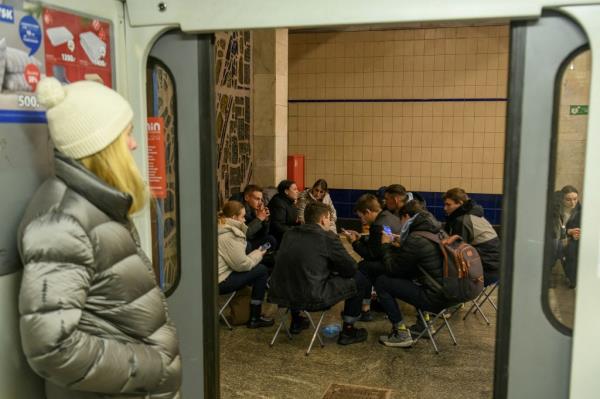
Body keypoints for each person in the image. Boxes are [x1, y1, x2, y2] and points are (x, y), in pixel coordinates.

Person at [17, 77, 181, 398]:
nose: (134, 144)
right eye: (128, 134)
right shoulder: (62, 222)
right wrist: (154, 367)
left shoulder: (97, 206)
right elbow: (51, 347)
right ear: (102, 145)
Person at [269, 202, 369, 345]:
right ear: (323, 219)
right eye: (329, 218)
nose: (330, 222)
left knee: (298, 275)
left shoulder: (289, 234)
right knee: (359, 279)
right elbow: (350, 268)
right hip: (312, 297)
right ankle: (348, 330)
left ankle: (296, 321)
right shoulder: (327, 237)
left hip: (281, 294)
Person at [375, 200, 453, 347]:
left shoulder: (416, 238)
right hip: (449, 292)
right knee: (415, 279)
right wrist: (403, 242)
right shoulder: (437, 230)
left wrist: (385, 245)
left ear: (406, 217)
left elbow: (393, 269)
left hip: (435, 297)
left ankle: (401, 333)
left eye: (401, 219)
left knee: (382, 282)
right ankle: (425, 324)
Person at [218, 200, 274, 328]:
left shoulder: (220, 228)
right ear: (233, 217)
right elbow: (242, 265)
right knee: (261, 270)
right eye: (242, 217)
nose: (244, 220)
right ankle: (255, 316)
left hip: (216, 275)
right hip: (221, 281)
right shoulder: (229, 235)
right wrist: (258, 254)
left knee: (257, 266)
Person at [442, 188, 500, 285]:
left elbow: (456, 251)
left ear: (460, 203)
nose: (445, 208)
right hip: (496, 267)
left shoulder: (463, 220)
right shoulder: (473, 214)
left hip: (486, 271)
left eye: (448, 204)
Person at [552, 185, 581, 287]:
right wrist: (568, 232)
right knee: (555, 245)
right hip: (556, 237)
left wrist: (578, 233)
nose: (573, 203)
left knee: (571, 249)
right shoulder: (555, 210)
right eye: (568, 200)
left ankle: (572, 278)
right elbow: (553, 229)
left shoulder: (580, 210)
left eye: (575, 199)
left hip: (572, 239)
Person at [240, 184, 277, 251]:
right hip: (243, 244)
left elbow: (264, 234)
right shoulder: (240, 210)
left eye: (261, 199)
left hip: (252, 241)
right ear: (246, 198)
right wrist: (259, 219)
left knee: (271, 240)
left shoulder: (254, 209)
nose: (260, 203)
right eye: (257, 199)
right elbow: (245, 234)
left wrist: (265, 220)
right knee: (270, 240)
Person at [267, 179, 301, 246]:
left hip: (288, 233)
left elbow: (291, 220)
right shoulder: (278, 202)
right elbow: (278, 225)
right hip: (278, 236)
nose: (297, 191)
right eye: (295, 189)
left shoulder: (290, 201)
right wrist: (295, 230)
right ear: (286, 191)